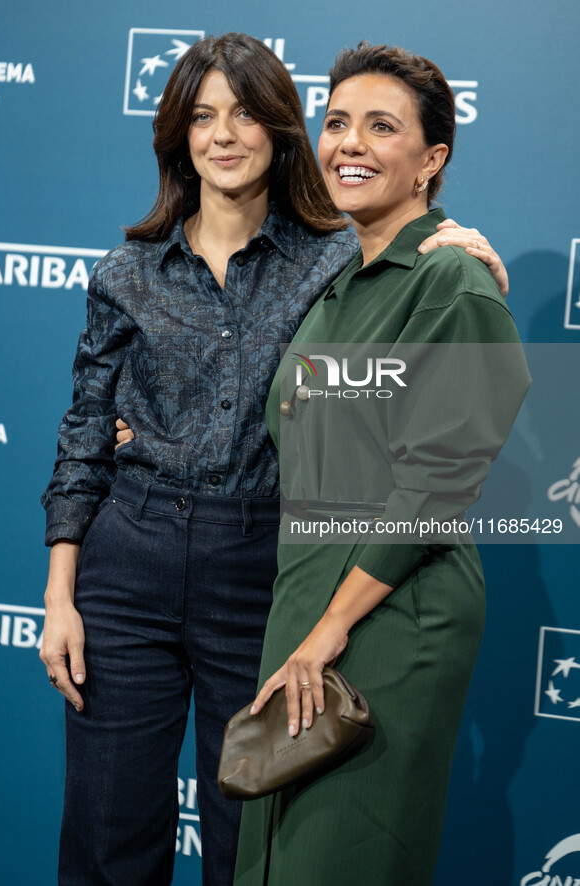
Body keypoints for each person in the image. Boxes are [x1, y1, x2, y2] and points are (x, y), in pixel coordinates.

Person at [39, 32, 510, 886]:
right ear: (178, 135)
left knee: (248, 833)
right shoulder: (125, 272)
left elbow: (415, 294)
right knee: (107, 834)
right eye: (202, 116)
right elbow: (82, 433)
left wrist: (469, 252)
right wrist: (60, 594)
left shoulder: (334, 258)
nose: (224, 134)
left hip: (261, 562)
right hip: (128, 563)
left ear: (280, 131)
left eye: (247, 113)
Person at [234, 44, 530, 886]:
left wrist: (329, 631)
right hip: (306, 606)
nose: (349, 144)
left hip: (388, 617)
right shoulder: (342, 279)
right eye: (335, 124)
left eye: (380, 127)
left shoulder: (454, 283)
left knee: (339, 856)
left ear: (430, 160)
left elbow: (436, 483)